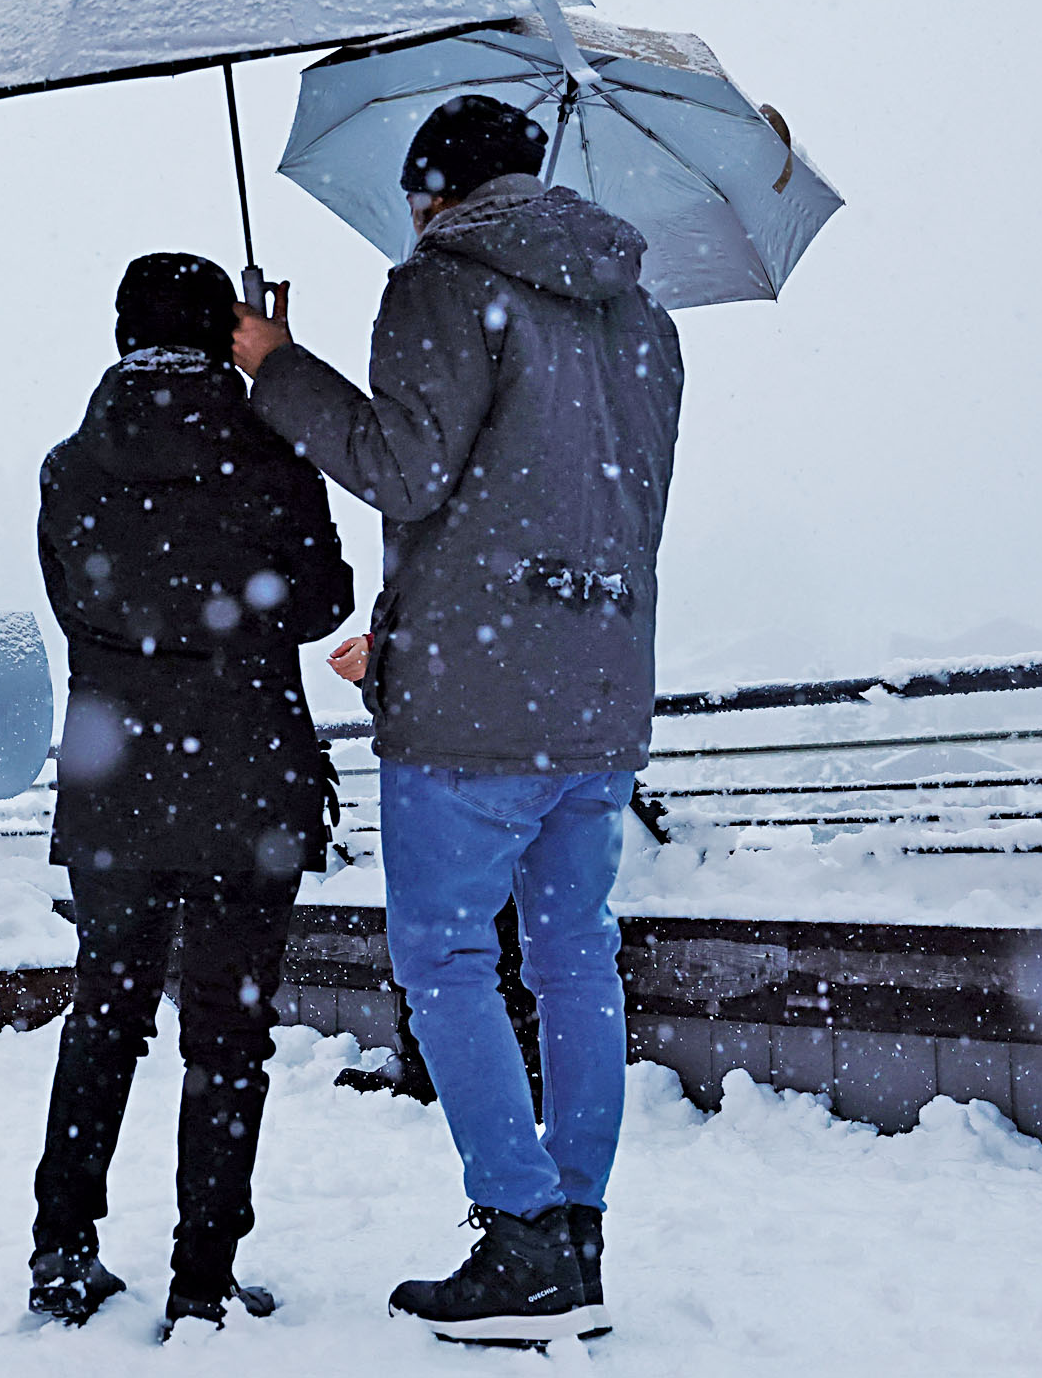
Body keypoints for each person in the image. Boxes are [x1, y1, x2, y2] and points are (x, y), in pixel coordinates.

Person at [233, 95, 684, 1346]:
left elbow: (403, 468)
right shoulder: (640, 317)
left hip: (474, 707)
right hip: (598, 685)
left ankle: (520, 1234)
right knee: (573, 956)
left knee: (442, 958)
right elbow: (579, 509)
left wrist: (275, 366)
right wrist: (421, 610)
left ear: (432, 189)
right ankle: (575, 1228)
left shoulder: (441, 283)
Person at [28, 252, 355, 1337]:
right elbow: (319, 605)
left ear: (120, 334)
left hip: (116, 781)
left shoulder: (70, 468)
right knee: (226, 1036)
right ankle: (201, 1280)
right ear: (228, 331)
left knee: (105, 1018)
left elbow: (81, 609)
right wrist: (281, 393)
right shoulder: (271, 452)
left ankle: (61, 1250)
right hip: (244, 786)